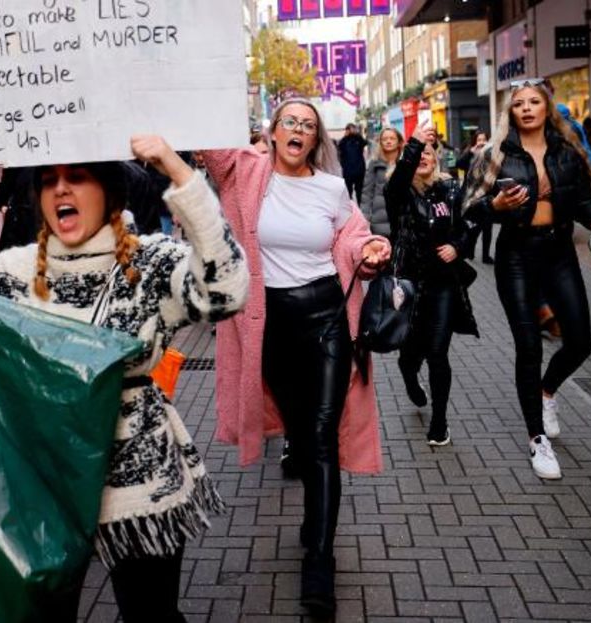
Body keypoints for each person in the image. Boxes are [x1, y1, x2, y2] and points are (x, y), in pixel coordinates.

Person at [0, 134, 248, 622]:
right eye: (49, 180)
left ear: (110, 193)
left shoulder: (150, 262)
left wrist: (177, 170)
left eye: (77, 177)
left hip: (138, 483)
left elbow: (224, 293)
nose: (60, 191)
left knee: (152, 616)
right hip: (42, 488)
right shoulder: (11, 272)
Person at [203, 99, 391, 617]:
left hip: (327, 318)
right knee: (302, 434)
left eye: (308, 126)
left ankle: (320, 564)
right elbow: (203, 143)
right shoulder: (245, 173)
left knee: (325, 432)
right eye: (291, 121)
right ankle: (315, 510)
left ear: (316, 140)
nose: (299, 130)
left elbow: (354, 237)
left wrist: (372, 250)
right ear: (273, 130)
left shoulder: (331, 188)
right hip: (270, 327)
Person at [462, 79, 591, 480]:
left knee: (580, 341)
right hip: (516, 256)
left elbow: (582, 199)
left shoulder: (566, 152)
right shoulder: (494, 155)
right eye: (518, 104)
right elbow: (469, 210)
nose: (526, 108)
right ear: (510, 112)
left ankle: (547, 391)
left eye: (534, 102)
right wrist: (493, 204)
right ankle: (536, 439)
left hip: (559, 253)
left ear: (547, 108)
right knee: (528, 346)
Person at [384, 120, 478, 447]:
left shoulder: (452, 188)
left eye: (429, 150)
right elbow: (397, 183)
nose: (423, 155)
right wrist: (414, 142)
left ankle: (439, 422)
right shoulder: (398, 191)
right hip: (408, 285)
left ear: (436, 157)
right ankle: (408, 372)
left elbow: (470, 221)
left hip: (443, 286)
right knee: (411, 353)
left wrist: (459, 245)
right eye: (417, 151)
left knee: (438, 352)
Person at [455, 131, 494, 263]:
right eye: (479, 140)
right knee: (474, 227)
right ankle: (470, 250)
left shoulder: (491, 154)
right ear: (474, 142)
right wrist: (470, 153)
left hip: (486, 195)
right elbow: (458, 164)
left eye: (484, 139)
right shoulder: (470, 154)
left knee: (487, 227)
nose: (481, 142)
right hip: (470, 196)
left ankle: (486, 256)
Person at [360, 127, 403, 237]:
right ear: (380, 142)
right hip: (378, 221)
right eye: (385, 139)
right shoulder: (374, 164)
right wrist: (364, 218)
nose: (388, 141)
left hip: (402, 219)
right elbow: (367, 193)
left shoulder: (405, 164)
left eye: (392, 138)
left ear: (399, 142)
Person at [0, 166, 40, 250]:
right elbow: (2, 196)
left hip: (38, 223)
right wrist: (6, 209)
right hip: (18, 223)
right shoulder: (15, 164)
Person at [337, 122, 368, 202]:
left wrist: (357, 134)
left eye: (352, 129)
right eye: (349, 129)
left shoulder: (358, 139)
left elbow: (365, 142)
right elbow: (339, 147)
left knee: (360, 192)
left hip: (359, 171)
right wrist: (345, 136)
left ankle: (360, 209)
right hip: (348, 171)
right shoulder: (344, 141)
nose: (351, 131)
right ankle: (350, 210)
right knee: (348, 193)